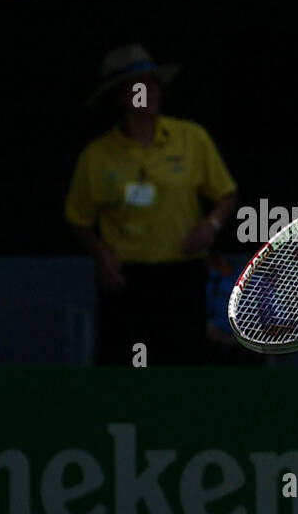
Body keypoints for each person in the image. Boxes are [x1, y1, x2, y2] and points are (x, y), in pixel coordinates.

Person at [65, 44, 239, 366]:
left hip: (182, 276)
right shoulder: (96, 156)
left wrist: (211, 224)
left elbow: (226, 193)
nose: (153, 90)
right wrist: (100, 253)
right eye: (141, 84)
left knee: (183, 365)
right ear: (119, 97)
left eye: (155, 82)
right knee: (124, 367)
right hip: (128, 282)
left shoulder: (191, 138)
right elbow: (78, 217)